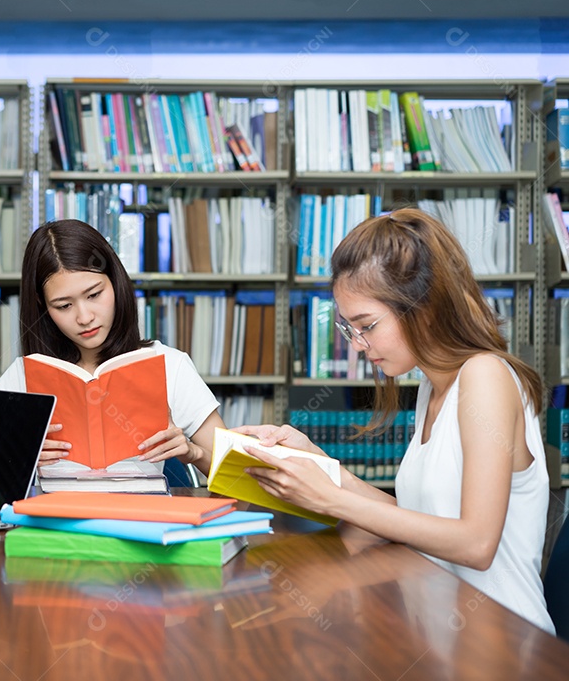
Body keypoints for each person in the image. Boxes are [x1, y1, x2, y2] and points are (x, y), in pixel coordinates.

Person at [236, 208, 554, 633]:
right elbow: (419, 520)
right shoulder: (431, 387)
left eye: (367, 325)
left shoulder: (485, 376)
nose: (358, 346)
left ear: (424, 308)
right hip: (444, 638)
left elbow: (476, 543)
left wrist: (331, 500)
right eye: (351, 330)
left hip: (507, 643)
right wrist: (322, 467)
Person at [0, 219, 226, 476]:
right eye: (64, 306)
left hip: (141, 503)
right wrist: (18, 456)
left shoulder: (169, 365)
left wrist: (194, 453)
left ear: (115, 282)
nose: (84, 317)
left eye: (94, 295)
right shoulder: (23, 377)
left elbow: (237, 476)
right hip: (57, 504)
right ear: (42, 306)